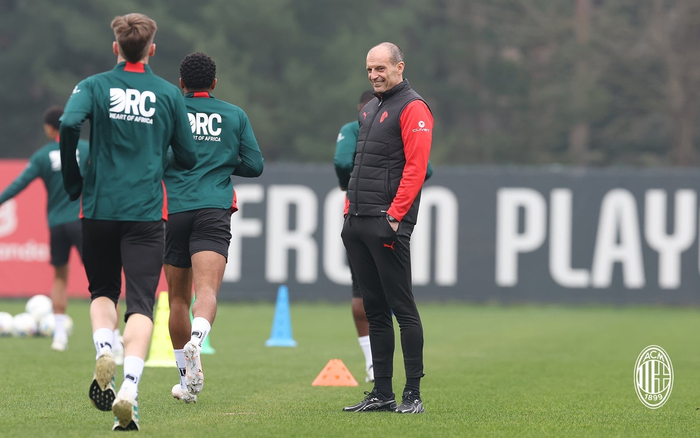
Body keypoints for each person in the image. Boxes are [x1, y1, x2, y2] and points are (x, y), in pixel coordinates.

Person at [60, 13, 197, 431]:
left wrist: (73, 180)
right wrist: (156, 157)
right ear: (152, 49)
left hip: (99, 208)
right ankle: (130, 391)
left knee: (102, 291)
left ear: (116, 47)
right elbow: (187, 156)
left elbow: (68, 123)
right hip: (144, 212)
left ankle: (105, 348)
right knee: (140, 304)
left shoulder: (94, 85)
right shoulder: (168, 93)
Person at [163, 52, 263, 404]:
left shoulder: (169, 110)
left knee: (177, 298)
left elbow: (156, 158)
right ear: (215, 83)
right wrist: (222, 159)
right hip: (213, 208)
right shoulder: (234, 114)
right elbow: (255, 165)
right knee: (206, 290)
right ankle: (198, 339)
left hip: (174, 208)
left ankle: (186, 381)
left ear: (181, 83)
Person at [341, 42, 433, 414]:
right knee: (374, 310)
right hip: (358, 221)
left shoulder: (414, 107)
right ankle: (382, 393)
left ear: (399, 67)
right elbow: (359, 165)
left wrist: (394, 216)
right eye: (369, 69)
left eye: (380, 68)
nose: (374, 75)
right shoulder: (370, 109)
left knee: (402, 308)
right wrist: (349, 210)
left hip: (386, 223)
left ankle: (412, 394)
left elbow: (416, 167)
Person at [0, 107, 125, 355]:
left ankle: (59, 337)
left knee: (60, 278)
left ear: (49, 128)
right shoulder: (87, 149)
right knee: (103, 280)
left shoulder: (42, 156)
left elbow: (18, 184)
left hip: (57, 225)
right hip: (84, 220)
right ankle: (114, 339)